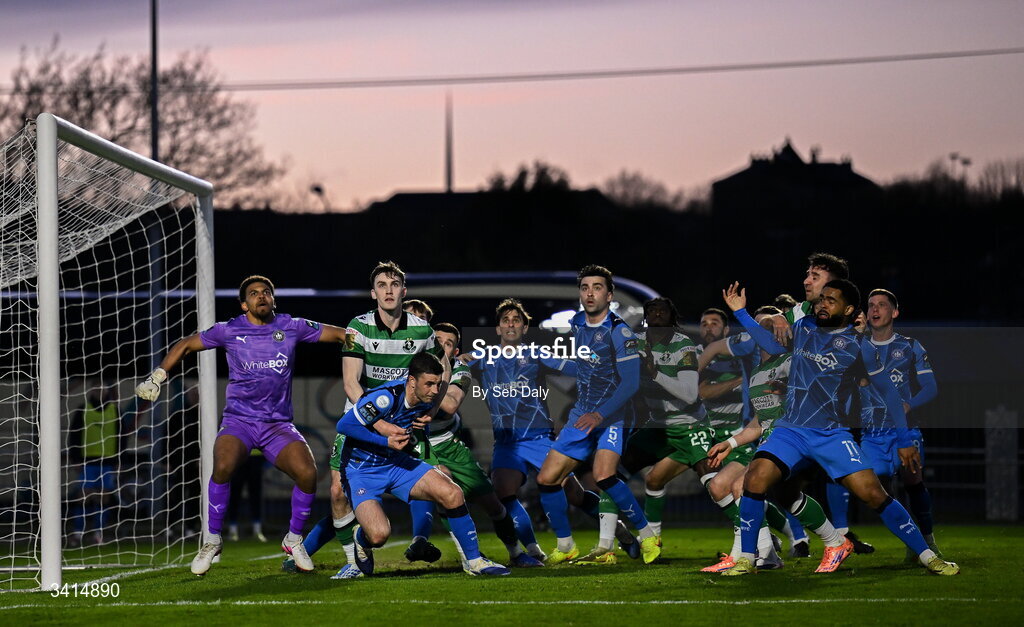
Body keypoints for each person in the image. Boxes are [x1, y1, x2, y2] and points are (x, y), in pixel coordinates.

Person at [717, 279, 958, 576]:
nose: (823, 304)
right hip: (791, 429)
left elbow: (891, 396)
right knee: (755, 479)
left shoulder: (861, 348)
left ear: (848, 309)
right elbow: (769, 343)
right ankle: (746, 559)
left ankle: (927, 556)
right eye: (822, 299)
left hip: (831, 434)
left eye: (831, 300)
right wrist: (740, 313)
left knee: (873, 493)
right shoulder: (804, 327)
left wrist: (905, 438)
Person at [136, 275, 349, 576]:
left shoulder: (291, 326)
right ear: (244, 303)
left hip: (277, 425)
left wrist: (372, 340)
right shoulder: (230, 330)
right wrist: (158, 376)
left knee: (308, 473)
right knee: (222, 465)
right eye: (254, 293)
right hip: (240, 421)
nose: (261, 296)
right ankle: (212, 540)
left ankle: (294, 539)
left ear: (273, 299)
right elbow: (185, 345)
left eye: (266, 292)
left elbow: (341, 335)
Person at [292, 261, 441, 579]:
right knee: (337, 493)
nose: (389, 290)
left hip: (400, 427)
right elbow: (351, 384)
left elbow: (441, 368)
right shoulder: (356, 328)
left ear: (404, 291)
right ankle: (351, 560)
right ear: (374, 293)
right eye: (382, 285)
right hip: (360, 421)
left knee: (441, 482)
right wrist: (377, 423)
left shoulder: (423, 331)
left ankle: (467, 554)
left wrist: (431, 409)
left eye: (395, 284)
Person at [468, 298, 639, 566]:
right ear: (498, 329)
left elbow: (576, 367)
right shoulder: (482, 359)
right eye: (505, 320)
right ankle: (534, 551)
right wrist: (454, 360)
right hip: (506, 444)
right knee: (503, 493)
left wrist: (602, 360)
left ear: (525, 328)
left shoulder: (536, 354)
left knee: (575, 494)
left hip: (539, 439)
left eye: (516, 320)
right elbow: (454, 370)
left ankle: (621, 532)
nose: (511, 324)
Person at [703, 306, 851, 573]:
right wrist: (731, 443)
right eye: (757, 328)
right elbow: (761, 421)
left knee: (743, 487)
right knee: (782, 495)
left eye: (767, 328)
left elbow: (816, 387)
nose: (760, 333)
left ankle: (745, 556)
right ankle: (825, 542)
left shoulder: (791, 362)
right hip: (767, 443)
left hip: (795, 441)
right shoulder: (759, 372)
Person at [335, 352, 510, 577]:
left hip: (397, 464)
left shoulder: (427, 397)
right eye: (429, 384)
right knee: (378, 535)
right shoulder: (385, 398)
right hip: (362, 470)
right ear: (411, 381)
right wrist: (384, 439)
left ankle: (474, 561)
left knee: (453, 493)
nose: (435, 391)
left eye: (437, 384)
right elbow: (344, 425)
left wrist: (432, 411)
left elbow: (444, 383)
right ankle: (362, 540)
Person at [535, 265, 660, 564]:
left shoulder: (620, 332)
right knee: (547, 479)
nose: (590, 293)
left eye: (597, 287)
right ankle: (566, 545)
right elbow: (586, 367)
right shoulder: (578, 323)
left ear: (609, 294)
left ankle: (647, 536)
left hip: (613, 414)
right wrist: (551, 361)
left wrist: (599, 416)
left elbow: (629, 383)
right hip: (584, 411)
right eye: (585, 287)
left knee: (603, 475)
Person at [406, 322, 542, 568]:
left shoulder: (461, 371)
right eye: (437, 341)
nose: (441, 347)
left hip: (449, 444)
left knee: (493, 503)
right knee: (444, 488)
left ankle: (516, 552)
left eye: (449, 344)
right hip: (419, 444)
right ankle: (466, 556)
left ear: (455, 352)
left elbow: (449, 407)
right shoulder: (413, 367)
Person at [858, 289, 941, 560]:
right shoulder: (857, 346)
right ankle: (912, 538)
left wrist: (909, 405)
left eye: (882, 305)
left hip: (904, 428)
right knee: (874, 485)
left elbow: (930, 387)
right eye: (871, 305)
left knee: (912, 481)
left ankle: (927, 541)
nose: (875, 309)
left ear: (894, 312)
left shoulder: (909, 346)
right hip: (871, 433)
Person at [68, 379, 123, 547]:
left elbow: (121, 438)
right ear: (92, 391)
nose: (99, 391)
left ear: (107, 391)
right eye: (96, 389)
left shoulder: (115, 411)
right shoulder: (83, 410)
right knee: (83, 496)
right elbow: (74, 436)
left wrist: (119, 460)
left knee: (103, 497)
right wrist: (75, 459)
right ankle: (78, 532)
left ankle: (98, 532)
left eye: (102, 389)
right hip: (87, 460)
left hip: (107, 462)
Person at [227, 451, 267, 542]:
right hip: (238, 456)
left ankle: (257, 530)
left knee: (255, 495)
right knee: (235, 495)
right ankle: (232, 530)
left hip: (255, 457)